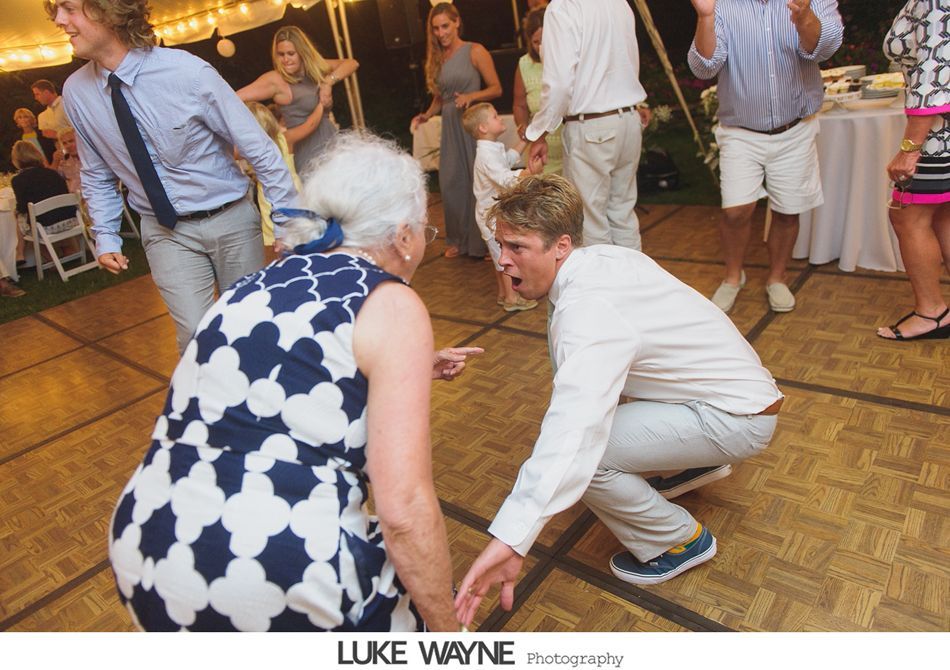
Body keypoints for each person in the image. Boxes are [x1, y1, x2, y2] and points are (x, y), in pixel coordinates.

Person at [108, 132, 482, 631]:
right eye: (424, 231)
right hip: (275, 562)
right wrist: (449, 637)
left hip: (149, 544)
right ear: (403, 236)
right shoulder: (390, 301)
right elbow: (404, 511)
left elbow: (287, 373)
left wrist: (411, 366)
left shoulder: (252, 285)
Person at [455, 175, 783, 626]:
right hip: (733, 397)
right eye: (499, 245)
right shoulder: (605, 259)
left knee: (589, 457)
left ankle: (678, 540)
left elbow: (574, 432)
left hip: (735, 419)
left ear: (561, 245)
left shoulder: (588, 308)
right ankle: (693, 463)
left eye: (516, 247)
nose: (502, 260)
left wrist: (513, 537)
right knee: (604, 417)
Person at [52, 0, 298, 354]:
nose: (59, 20)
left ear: (108, 9)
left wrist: (287, 223)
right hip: (164, 232)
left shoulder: (187, 72)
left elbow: (260, 150)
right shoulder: (77, 93)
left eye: (68, 7)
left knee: (246, 329)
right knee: (196, 340)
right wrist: (106, 235)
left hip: (230, 221)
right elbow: (97, 171)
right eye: (56, 10)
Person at [687, 0, 844, 314]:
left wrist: (804, 17)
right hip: (740, 132)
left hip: (795, 128)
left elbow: (826, 48)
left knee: (788, 211)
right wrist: (705, 17)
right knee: (735, 212)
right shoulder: (722, 5)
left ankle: (777, 277)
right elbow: (704, 67)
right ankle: (733, 277)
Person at [524, 0, 649, 250]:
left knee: (590, 222)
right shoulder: (619, 3)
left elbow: (559, 84)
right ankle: (631, 275)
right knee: (623, 214)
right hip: (628, 119)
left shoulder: (563, 7)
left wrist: (540, 132)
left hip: (592, 125)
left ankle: (602, 277)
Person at [876, 0, 950, 341]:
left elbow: (934, 73)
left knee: (907, 216)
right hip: (940, 130)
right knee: (943, 215)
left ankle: (931, 313)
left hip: (938, 134)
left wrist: (910, 149)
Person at [412, 2, 502, 259]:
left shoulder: (475, 50)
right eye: (436, 28)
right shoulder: (438, 57)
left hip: (473, 124)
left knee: (480, 182)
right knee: (452, 181)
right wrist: (427, 114)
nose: (441, 33)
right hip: (451, 125)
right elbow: (441, 98)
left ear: (457, 22)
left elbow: (496, 88)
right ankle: (459, 240)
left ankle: (487, 242)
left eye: (445, 26)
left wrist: (472, 96)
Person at [238, 26, 358, 178]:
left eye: (291, 53)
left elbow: (352, 63)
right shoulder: (276, 80)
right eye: (281, 54)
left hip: (333, 143)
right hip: (309, 154)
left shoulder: (314, 69)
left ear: (302, 52)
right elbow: (233, 98)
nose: (285, 59)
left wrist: (328, 82)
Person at [463, 102, 540, 312]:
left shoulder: (490, 149)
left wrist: (524, 140)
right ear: (483, 128)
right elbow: (505, 179)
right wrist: (529, 173)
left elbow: (507, 160)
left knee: (499, 256)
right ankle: (512, 299)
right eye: (495, 116)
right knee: (504, 258)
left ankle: (502, 294)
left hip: (492, 214)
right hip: (491, 217)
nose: (500, 118)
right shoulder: (486, 155)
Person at [245, 101, 304, 263]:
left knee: (275, 235)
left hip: (270, 197)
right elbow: (310, 125)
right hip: (293, 191)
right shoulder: (285, 139)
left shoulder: (252, 147)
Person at [512, 7, 562, 175]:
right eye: (536, 42)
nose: (541, 47)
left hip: (570, 147)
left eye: (545, 40)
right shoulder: (525, 64)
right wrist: (522, 125)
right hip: (540, 152)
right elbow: (519, 105)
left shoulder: (567, 59)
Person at [10, 140, 80, 258]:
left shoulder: (18, 180)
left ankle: (25, 254)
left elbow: (22, 207)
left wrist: (17, 211)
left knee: (22, 216)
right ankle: (68, 250)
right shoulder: (52, 173)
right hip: (71, 221)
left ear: (16, 159)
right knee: (39, 217)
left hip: (46, 228)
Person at [51, 127, 82, 194]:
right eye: (65, 143)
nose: (68, 145)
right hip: (73, 197)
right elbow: (51, 179)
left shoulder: (91, 159)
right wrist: (55, 162)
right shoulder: (64, 163)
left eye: (71, 141)